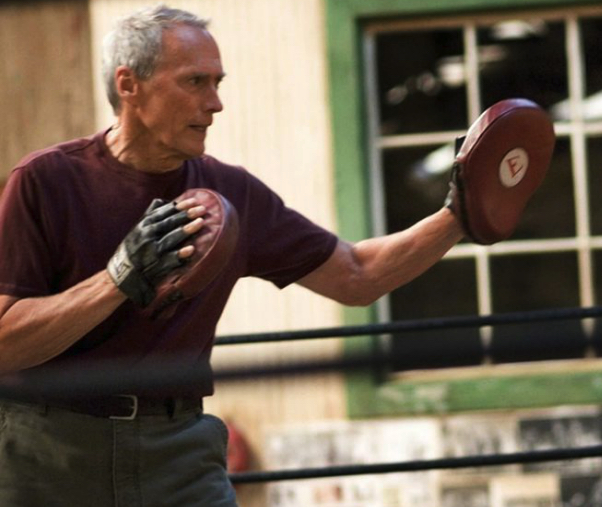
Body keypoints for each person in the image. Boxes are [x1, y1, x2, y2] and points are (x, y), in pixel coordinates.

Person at [0, 5, 471, 506]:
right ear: (129, 84)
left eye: (217, 82)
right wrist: (118, 278)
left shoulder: (232, 195)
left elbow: (357, 275)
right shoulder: (46, 181)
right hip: (48, 452)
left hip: (179, 451)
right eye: (195, 82)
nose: (216, 103)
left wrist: (459, 217)